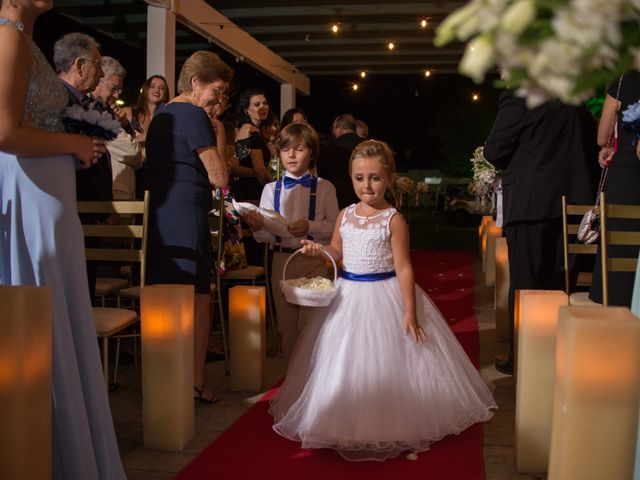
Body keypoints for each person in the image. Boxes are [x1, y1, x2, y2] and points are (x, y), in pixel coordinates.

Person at [270, 140, 496, 461]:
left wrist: (410, 310)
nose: (367, 185)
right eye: (360, 177)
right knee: (345, 362)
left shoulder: (394, 220)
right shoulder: (345, 215)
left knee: (386, 364)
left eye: (375, 178)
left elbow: (403, 267)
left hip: (385, 294)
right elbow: (336, 253)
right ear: (351, 178)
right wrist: (319, 250)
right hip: (349, 297)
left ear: (388, 179)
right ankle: (343, 421)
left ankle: (388, 423)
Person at [0, 1, 125, 479]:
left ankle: (66, 449)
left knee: (60, 319)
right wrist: (75, 144)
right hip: (33, 199)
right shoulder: (9, 36)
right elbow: (6, 132)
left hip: (49, 197)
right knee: (44, 321)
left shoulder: (23, 38)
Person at [483, 89, 599, 375]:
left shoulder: (519, 93)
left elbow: (495, 150)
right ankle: (557, 353)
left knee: (526, 284)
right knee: (562, 285)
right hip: (572, 203)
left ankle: (523, 356)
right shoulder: (575, 94)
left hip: (531, 203)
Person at [144, 50, 232, 404]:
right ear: (195, 82)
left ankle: (166, 381)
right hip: (187, 212)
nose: (220, 99)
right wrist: (219, 138)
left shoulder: (162, 115)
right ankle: (195, 382)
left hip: (162, 216)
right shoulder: (194, 114)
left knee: (166, 299)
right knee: (198, 297)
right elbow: (219, 175)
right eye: (218, 90)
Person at [242, 122, 339, 364]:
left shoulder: (325, 188)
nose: (292, 155)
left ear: (312, 154)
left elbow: (335, 229)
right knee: (285, 328)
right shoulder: (270, 189)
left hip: (312, 261)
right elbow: (265, 235)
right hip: (281, 261)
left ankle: (311, 385)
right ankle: (289, 384)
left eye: (299, 149)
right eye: (286, 150)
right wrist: (256, 227)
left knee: (310, 327)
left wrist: (310, 226)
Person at [54, 32, 113, 300]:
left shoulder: (79, 101)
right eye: (98, 64)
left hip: (87, 210)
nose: (101, 73)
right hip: (76, 207)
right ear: (80, 65)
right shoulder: (60, 101)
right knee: (75, 294)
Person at [589, 71, 640, 306]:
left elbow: (602, 137)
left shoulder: (624, 81)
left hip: (625, 177)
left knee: (618, 241)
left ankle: (613, 309)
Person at [90, 56, 142, 201]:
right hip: (112, 195)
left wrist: (125, 124)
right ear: (99, 81)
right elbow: (135, 154)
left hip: (121, 191)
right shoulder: (96, 114)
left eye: (119, 90)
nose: (117, 95)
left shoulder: (109, 114)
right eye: (114, 89)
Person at [233, 88, 272, 201]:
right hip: (252, 193)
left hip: (244, 191)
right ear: (246, 110)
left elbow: (241, 161)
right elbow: (259, 171)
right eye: (257, 104)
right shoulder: (252, 132)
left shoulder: (246, 128)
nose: (262, 107)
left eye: (265, 103)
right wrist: (273, 192)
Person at [317, 113, 361, 208]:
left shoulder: (332, 150)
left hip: (338, 202)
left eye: (333, 128)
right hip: (361, 200)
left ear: (339, 129)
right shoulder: (364, 147)